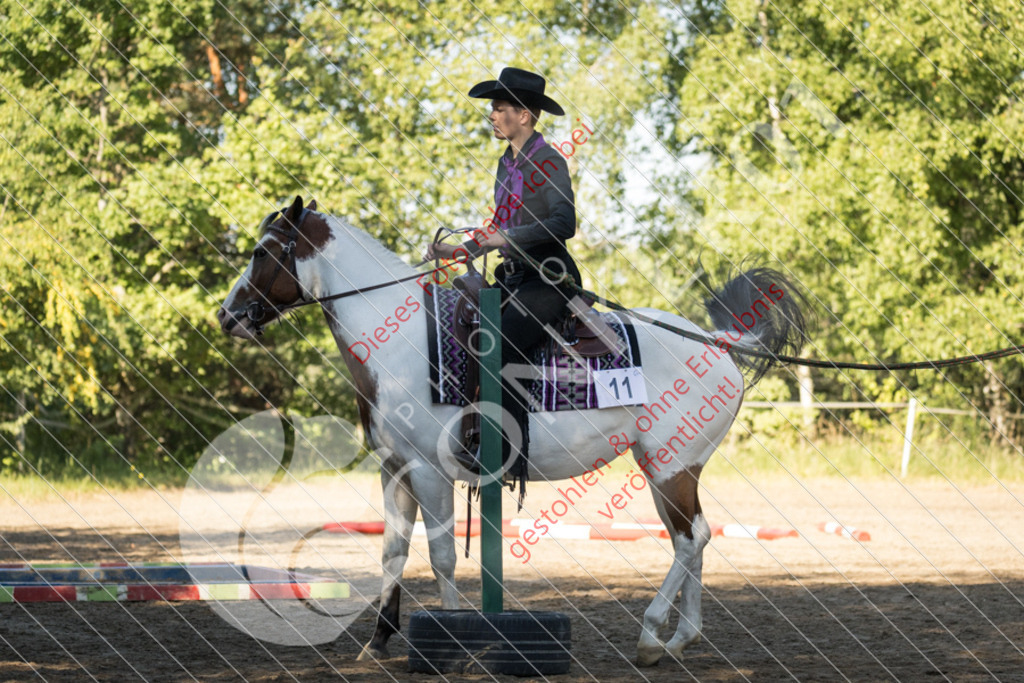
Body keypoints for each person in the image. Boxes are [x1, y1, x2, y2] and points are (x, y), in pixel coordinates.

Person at [427, 67, 582, 489]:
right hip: (513, 280)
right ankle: (471, 430)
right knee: (462, 326)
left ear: (525, 116)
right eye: (493, 109)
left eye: (499, 109)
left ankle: (505, 453)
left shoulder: (549, 160)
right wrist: (456, 252)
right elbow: (498, 230)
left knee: (500, 340)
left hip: (550, 281)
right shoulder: (505, 165)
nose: (492, 116)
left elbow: (564, 222)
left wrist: (508, 235)